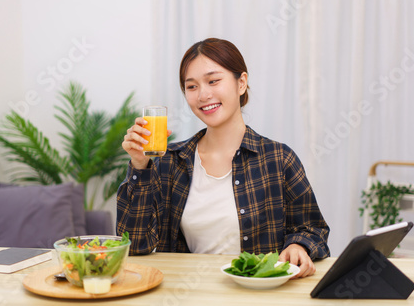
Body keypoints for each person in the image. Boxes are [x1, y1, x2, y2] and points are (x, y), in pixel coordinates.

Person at [117, 38, 330, 277]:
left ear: (241, 83)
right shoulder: (170, 162)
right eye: (192, 86)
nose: (203, 94)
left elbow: (314, 229)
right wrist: (139, 164)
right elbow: (134, 245)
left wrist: (298, 245)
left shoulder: (279, 159)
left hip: (262, 295)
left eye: (213, 81)